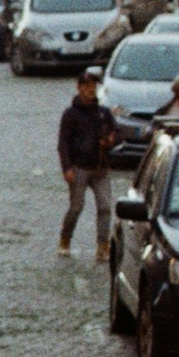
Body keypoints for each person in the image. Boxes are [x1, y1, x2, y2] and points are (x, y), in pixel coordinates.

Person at [58, 67, 119, 258]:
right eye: (86, 86)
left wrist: (111, 140)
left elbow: (116, 134)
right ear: (79, 88)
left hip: (101, 167)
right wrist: (67, 167)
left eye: (93, 86)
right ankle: (65, 237)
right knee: (76, 207)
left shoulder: (103, 112)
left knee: (105, 206)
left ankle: (103, 244)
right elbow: (63, 143)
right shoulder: (71, 114)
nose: (90, 89)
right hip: (79, 167)